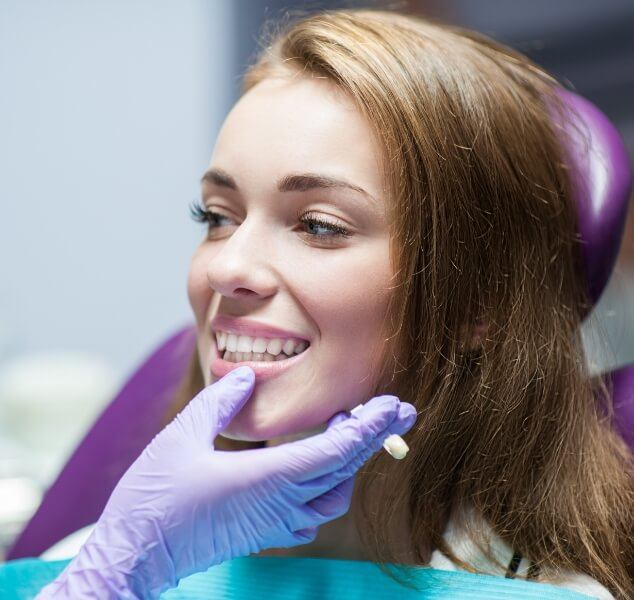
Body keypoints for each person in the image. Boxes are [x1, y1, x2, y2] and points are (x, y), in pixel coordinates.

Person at [28, 6, 634, 599]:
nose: (227, 266)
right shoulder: (103, 562)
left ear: (479, 305)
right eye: (216, 217)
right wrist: (114, 575)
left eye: (318, 225)